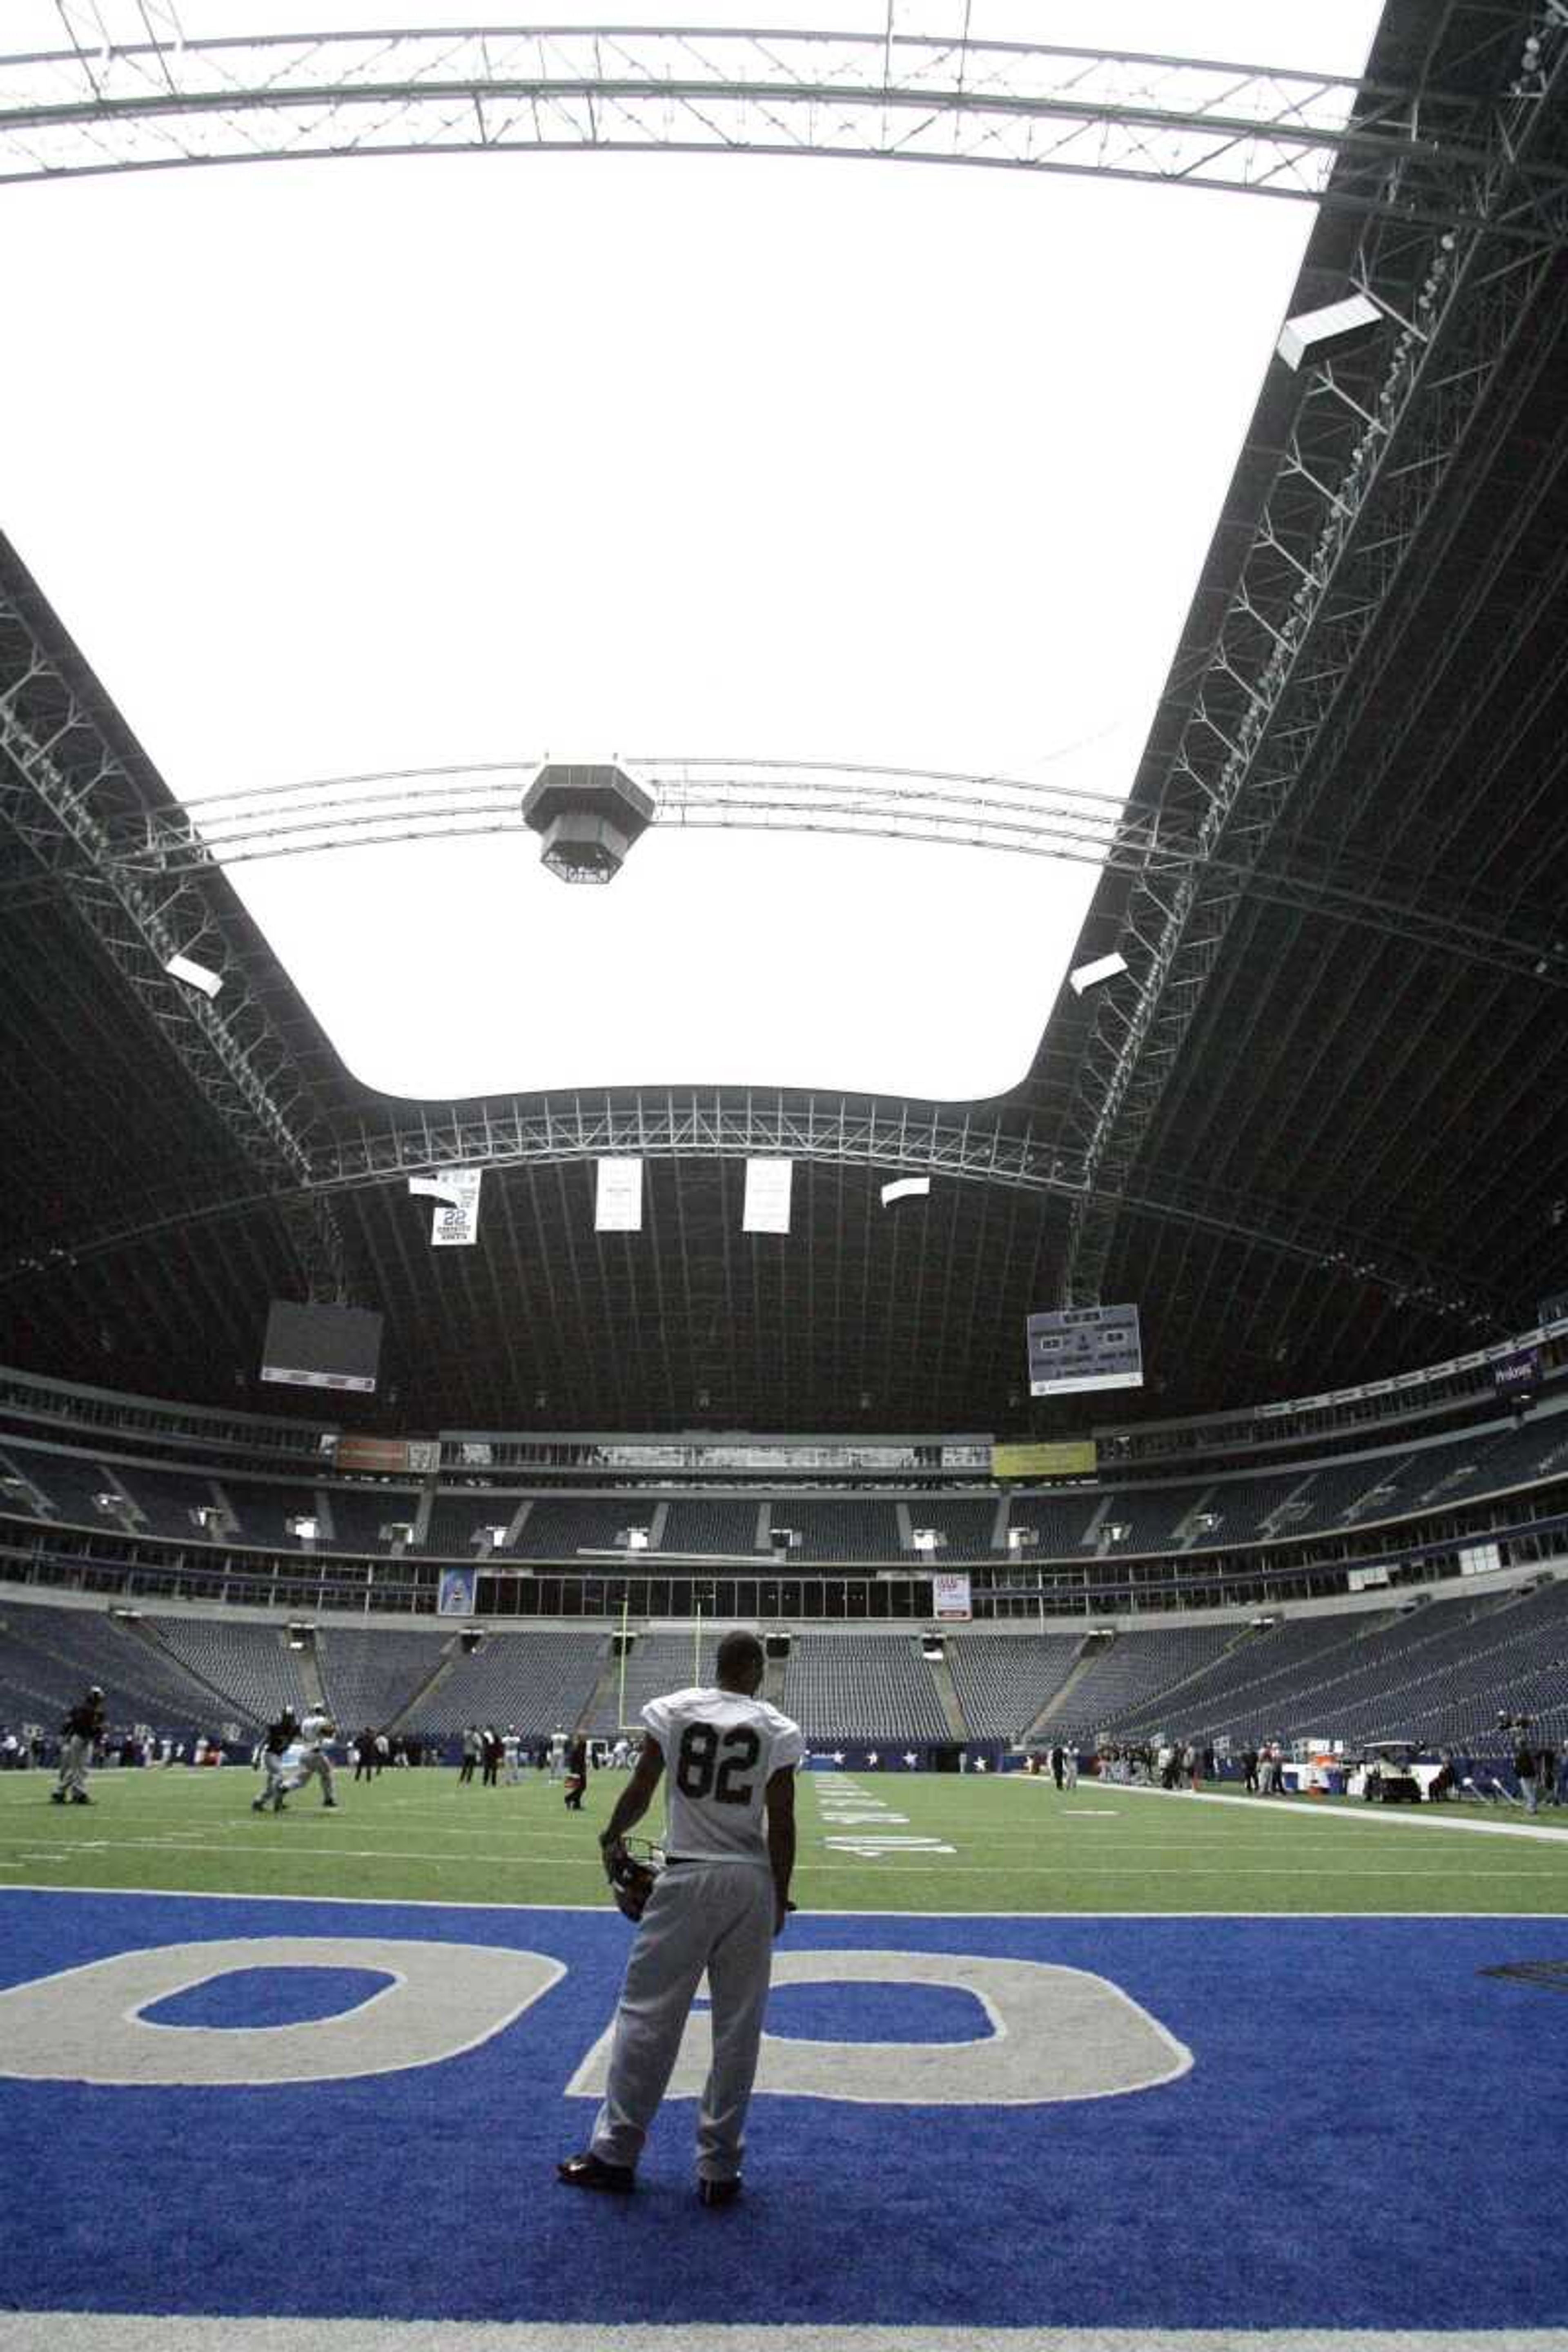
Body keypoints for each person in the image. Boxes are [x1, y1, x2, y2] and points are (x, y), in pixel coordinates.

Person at [558, 1628, 802, 2207]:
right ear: (757, 1672)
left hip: (687, 1872)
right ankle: (720, 2169)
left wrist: (611, 1834)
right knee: (738, 2027)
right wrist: (780, 1893)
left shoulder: (674, 1710)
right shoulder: (775, 1727)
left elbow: (643, 1786)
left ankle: (616, 2153)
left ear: (717, 1666)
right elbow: (784, 1821)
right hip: (747, 1880)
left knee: (647, 2016)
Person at [51, 1684, 105, 1805]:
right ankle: (78, 1794)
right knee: (81, 1769)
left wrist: (64, 1735)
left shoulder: (84, 1709)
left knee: (78, 1769)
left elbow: (69, 1724)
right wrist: (97, 1742)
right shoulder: (90, 1711)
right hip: (81, 1739)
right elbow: (94, 1729)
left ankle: (60, 1792)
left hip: (81, 1739)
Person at [289, 1708, 339, 1809]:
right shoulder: (321, 1720)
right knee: (327, 1775)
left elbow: (303, 1735)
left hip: (305, 1751)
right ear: (320, 1711)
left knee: (301, 1781)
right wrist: (334, 1727)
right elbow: (328, 1733)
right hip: (316, 1752)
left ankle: (284, 1787)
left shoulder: (306, 1721)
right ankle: (328, 1799)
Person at [252, 1707, 298, 1814]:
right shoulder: (276, 1728)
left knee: (271, 1789)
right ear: (283, 1718)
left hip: (278, 1758)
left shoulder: (293, 1730)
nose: (289, 1720)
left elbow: (305, 1736)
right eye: (287, 1718)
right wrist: (257, 1759)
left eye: (290, 1718)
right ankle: (278, 1804)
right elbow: (262, 1744)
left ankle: (258, 1803)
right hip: (270, 1756)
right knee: (281, 1776)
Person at [564, 1734, 589, 1812]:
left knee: (581, 1787)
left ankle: (576, 1805)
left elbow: (582, 1758)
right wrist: (578, 1772)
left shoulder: (583, 1746)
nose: (586, 1738)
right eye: (584, 1737)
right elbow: (575, 1760)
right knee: (582, 1787)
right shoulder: (577, 1747)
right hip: (577, 1770)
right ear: (581, 1739)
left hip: (580, 1769)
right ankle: (568, 1798)